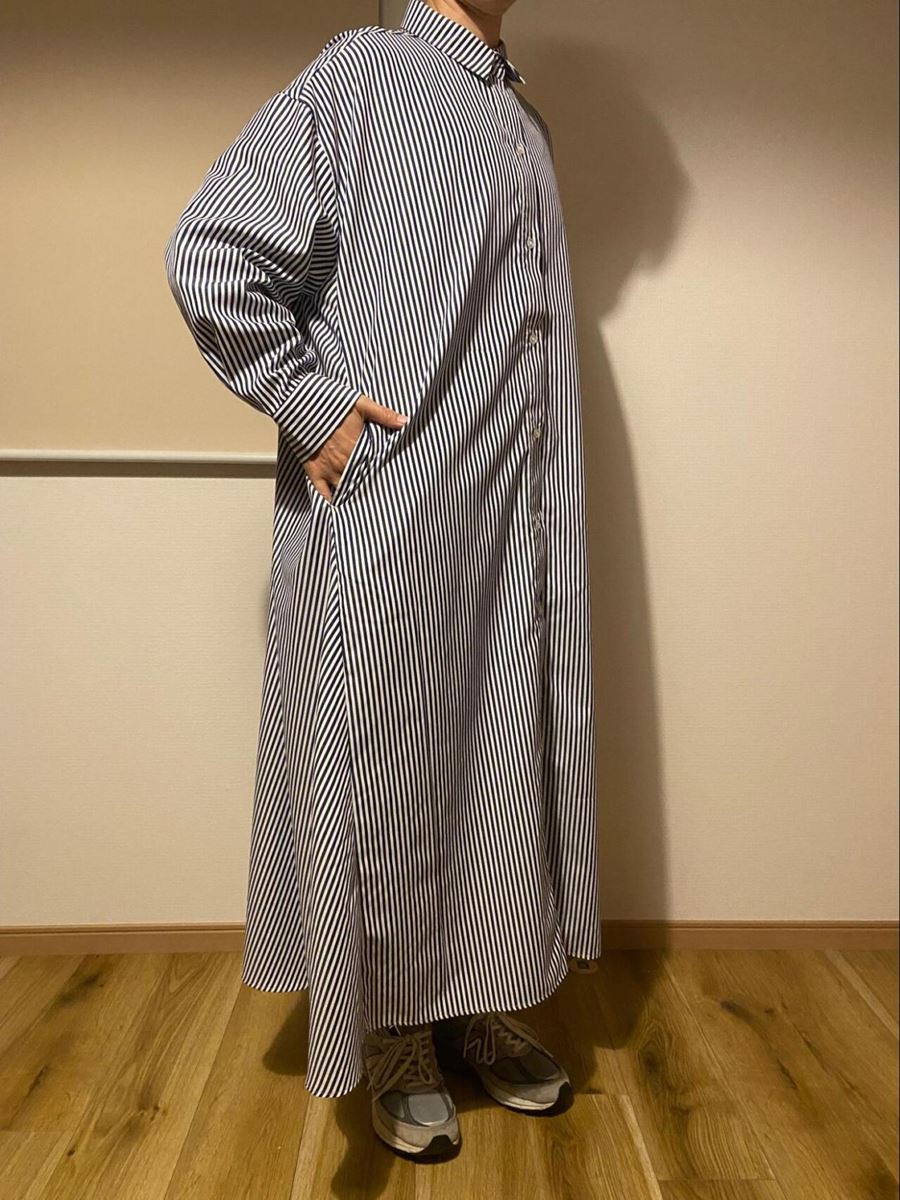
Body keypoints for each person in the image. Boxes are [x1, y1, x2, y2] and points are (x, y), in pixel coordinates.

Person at [165, 0, 602, 1161]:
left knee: (495, 758)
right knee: (395, 764)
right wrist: (317, 410)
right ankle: (394, 1029)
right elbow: (210, 250)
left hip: (513, 516)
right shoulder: (366, 74)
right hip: (399, 512)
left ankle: (470, 1002)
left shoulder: (523, 124)